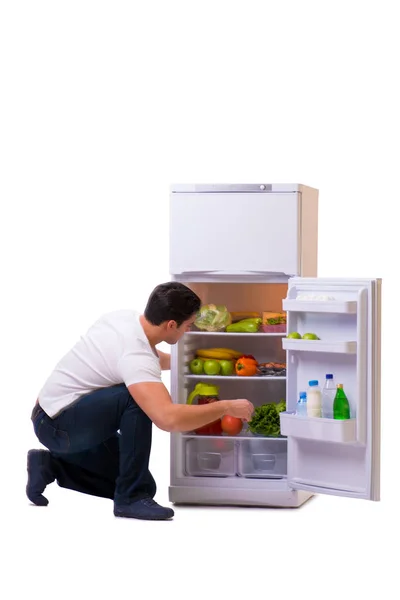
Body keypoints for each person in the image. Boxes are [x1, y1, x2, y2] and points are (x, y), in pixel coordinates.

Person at [27, 281, 254, 521]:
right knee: (134, 400)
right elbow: (168, 418)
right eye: (187, 326)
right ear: (171, 325)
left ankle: (50, 465)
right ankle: (130, 499)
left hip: (56, 414)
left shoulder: (125, 320)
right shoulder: (136, 357)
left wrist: (190, 362)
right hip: (59, 426)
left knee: (145, 485)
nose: (188, 331)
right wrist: (226, 406)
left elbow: (145, 361)